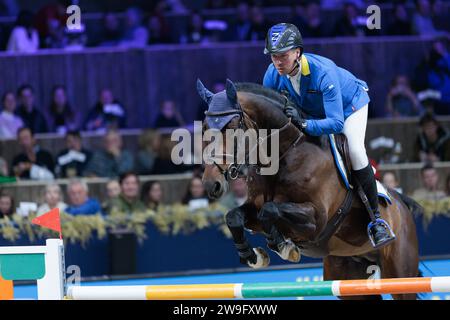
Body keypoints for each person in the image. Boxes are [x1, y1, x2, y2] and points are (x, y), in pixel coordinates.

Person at [262, 23, 394, 248]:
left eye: (283, 56)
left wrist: (302, 123)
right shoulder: (272, 74)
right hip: (315, 111)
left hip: (349, 107)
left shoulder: (323, 72)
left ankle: (377, 221)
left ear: (297, 52)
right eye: (274, 56)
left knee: (354, 150)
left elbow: (335, 123)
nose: (277, 62)